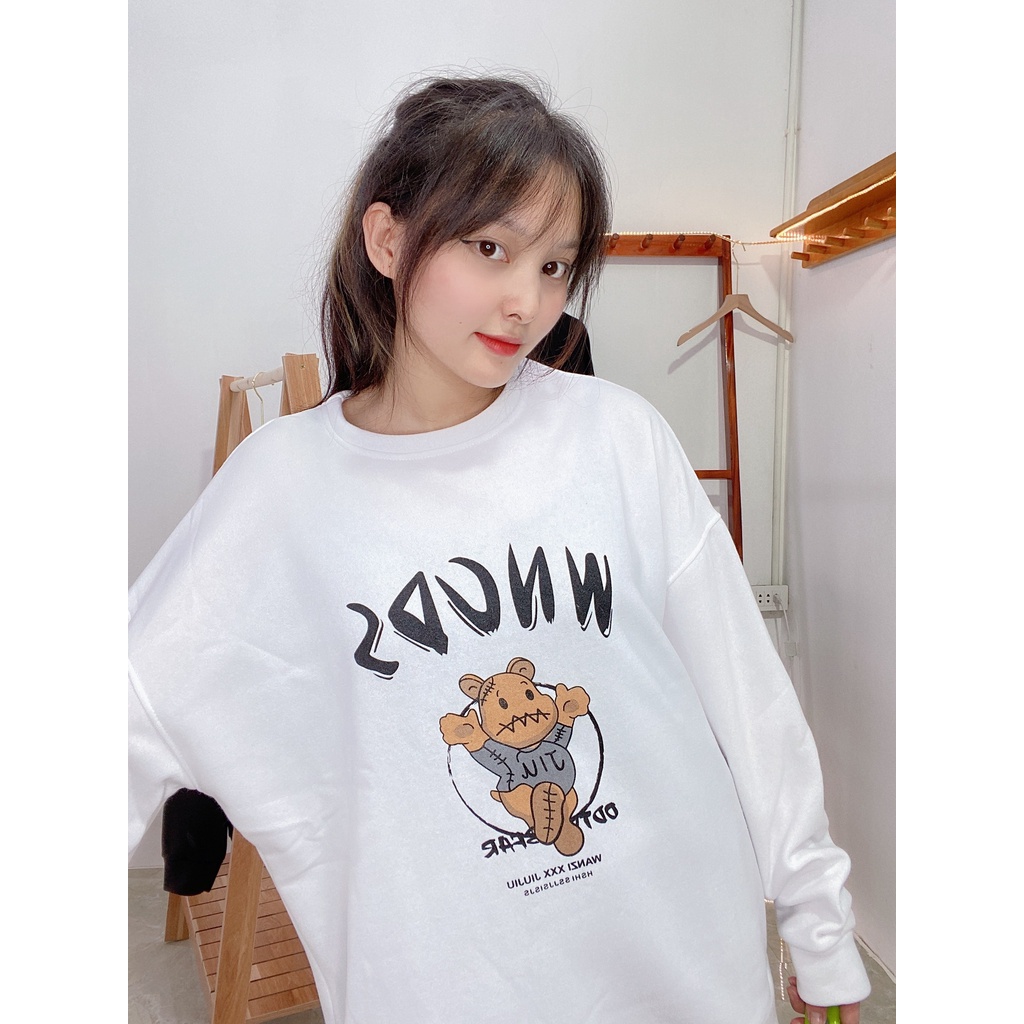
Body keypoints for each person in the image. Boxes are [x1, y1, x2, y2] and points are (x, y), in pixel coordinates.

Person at [128, 72, 871, 1024]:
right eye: (490, 248)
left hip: (691, 974)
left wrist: (818, 928)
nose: (527, 301)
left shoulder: (616, 437)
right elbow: (130, 711)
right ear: (386, 239)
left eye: (556, 266)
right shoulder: (282, 489)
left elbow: (751, 704)